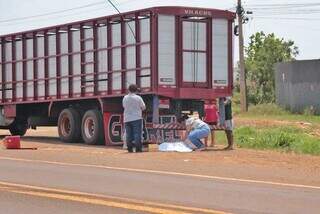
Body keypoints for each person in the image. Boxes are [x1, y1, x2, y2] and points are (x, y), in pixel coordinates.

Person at [122, 84, 146, 153]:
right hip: (136, 118)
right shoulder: (138, 98)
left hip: (127, 118)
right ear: (136, 90)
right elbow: (143, 107)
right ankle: (138, 149)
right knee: (137, 134)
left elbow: (124, 106)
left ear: (128, 90)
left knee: (128, 134)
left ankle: (130, 149)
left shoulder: (125, 98)